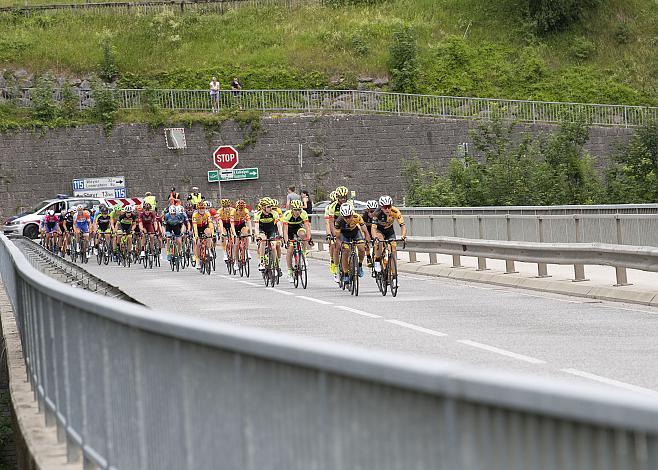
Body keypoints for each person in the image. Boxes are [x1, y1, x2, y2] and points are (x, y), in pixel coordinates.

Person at [334, 203, 370, 283]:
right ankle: (346, 274)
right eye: (345, 217)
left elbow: (365, 231)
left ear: (352, 214)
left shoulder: (357, 217)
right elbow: (337, 237)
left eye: (349, 216)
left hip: (355, 232)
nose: (347, 219)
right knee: (345, 251)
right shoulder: (339, 221)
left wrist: (367, 241)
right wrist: (340, 244)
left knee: (361, 248)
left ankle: (360, 265)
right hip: (344, 234)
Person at [371, 195, 407, 274]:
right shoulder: (376, 213)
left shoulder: (395, 211)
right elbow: (373, 228)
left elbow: (403, 225)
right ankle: (377, 260)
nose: (387, 209)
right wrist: (375, 237)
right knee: (379, 240)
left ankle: (394, 276)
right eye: (385, 207)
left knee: (393, 250)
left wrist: (403, 235)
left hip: (389, 231)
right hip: (379, 230)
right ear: (381, 207)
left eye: (389, 206)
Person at [282, 199, 312, 283]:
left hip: (298, 228)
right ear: (292, 209)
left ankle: (304, 254)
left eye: (299, 209)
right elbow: (285, 231)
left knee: (303, 235)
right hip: (289, 230)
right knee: (290, 249)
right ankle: (289, 271)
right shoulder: (287, 215)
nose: (298, 212)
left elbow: (307, 227)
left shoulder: (303, 213)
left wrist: (309, 238)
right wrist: (287, 241)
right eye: (296, 210)